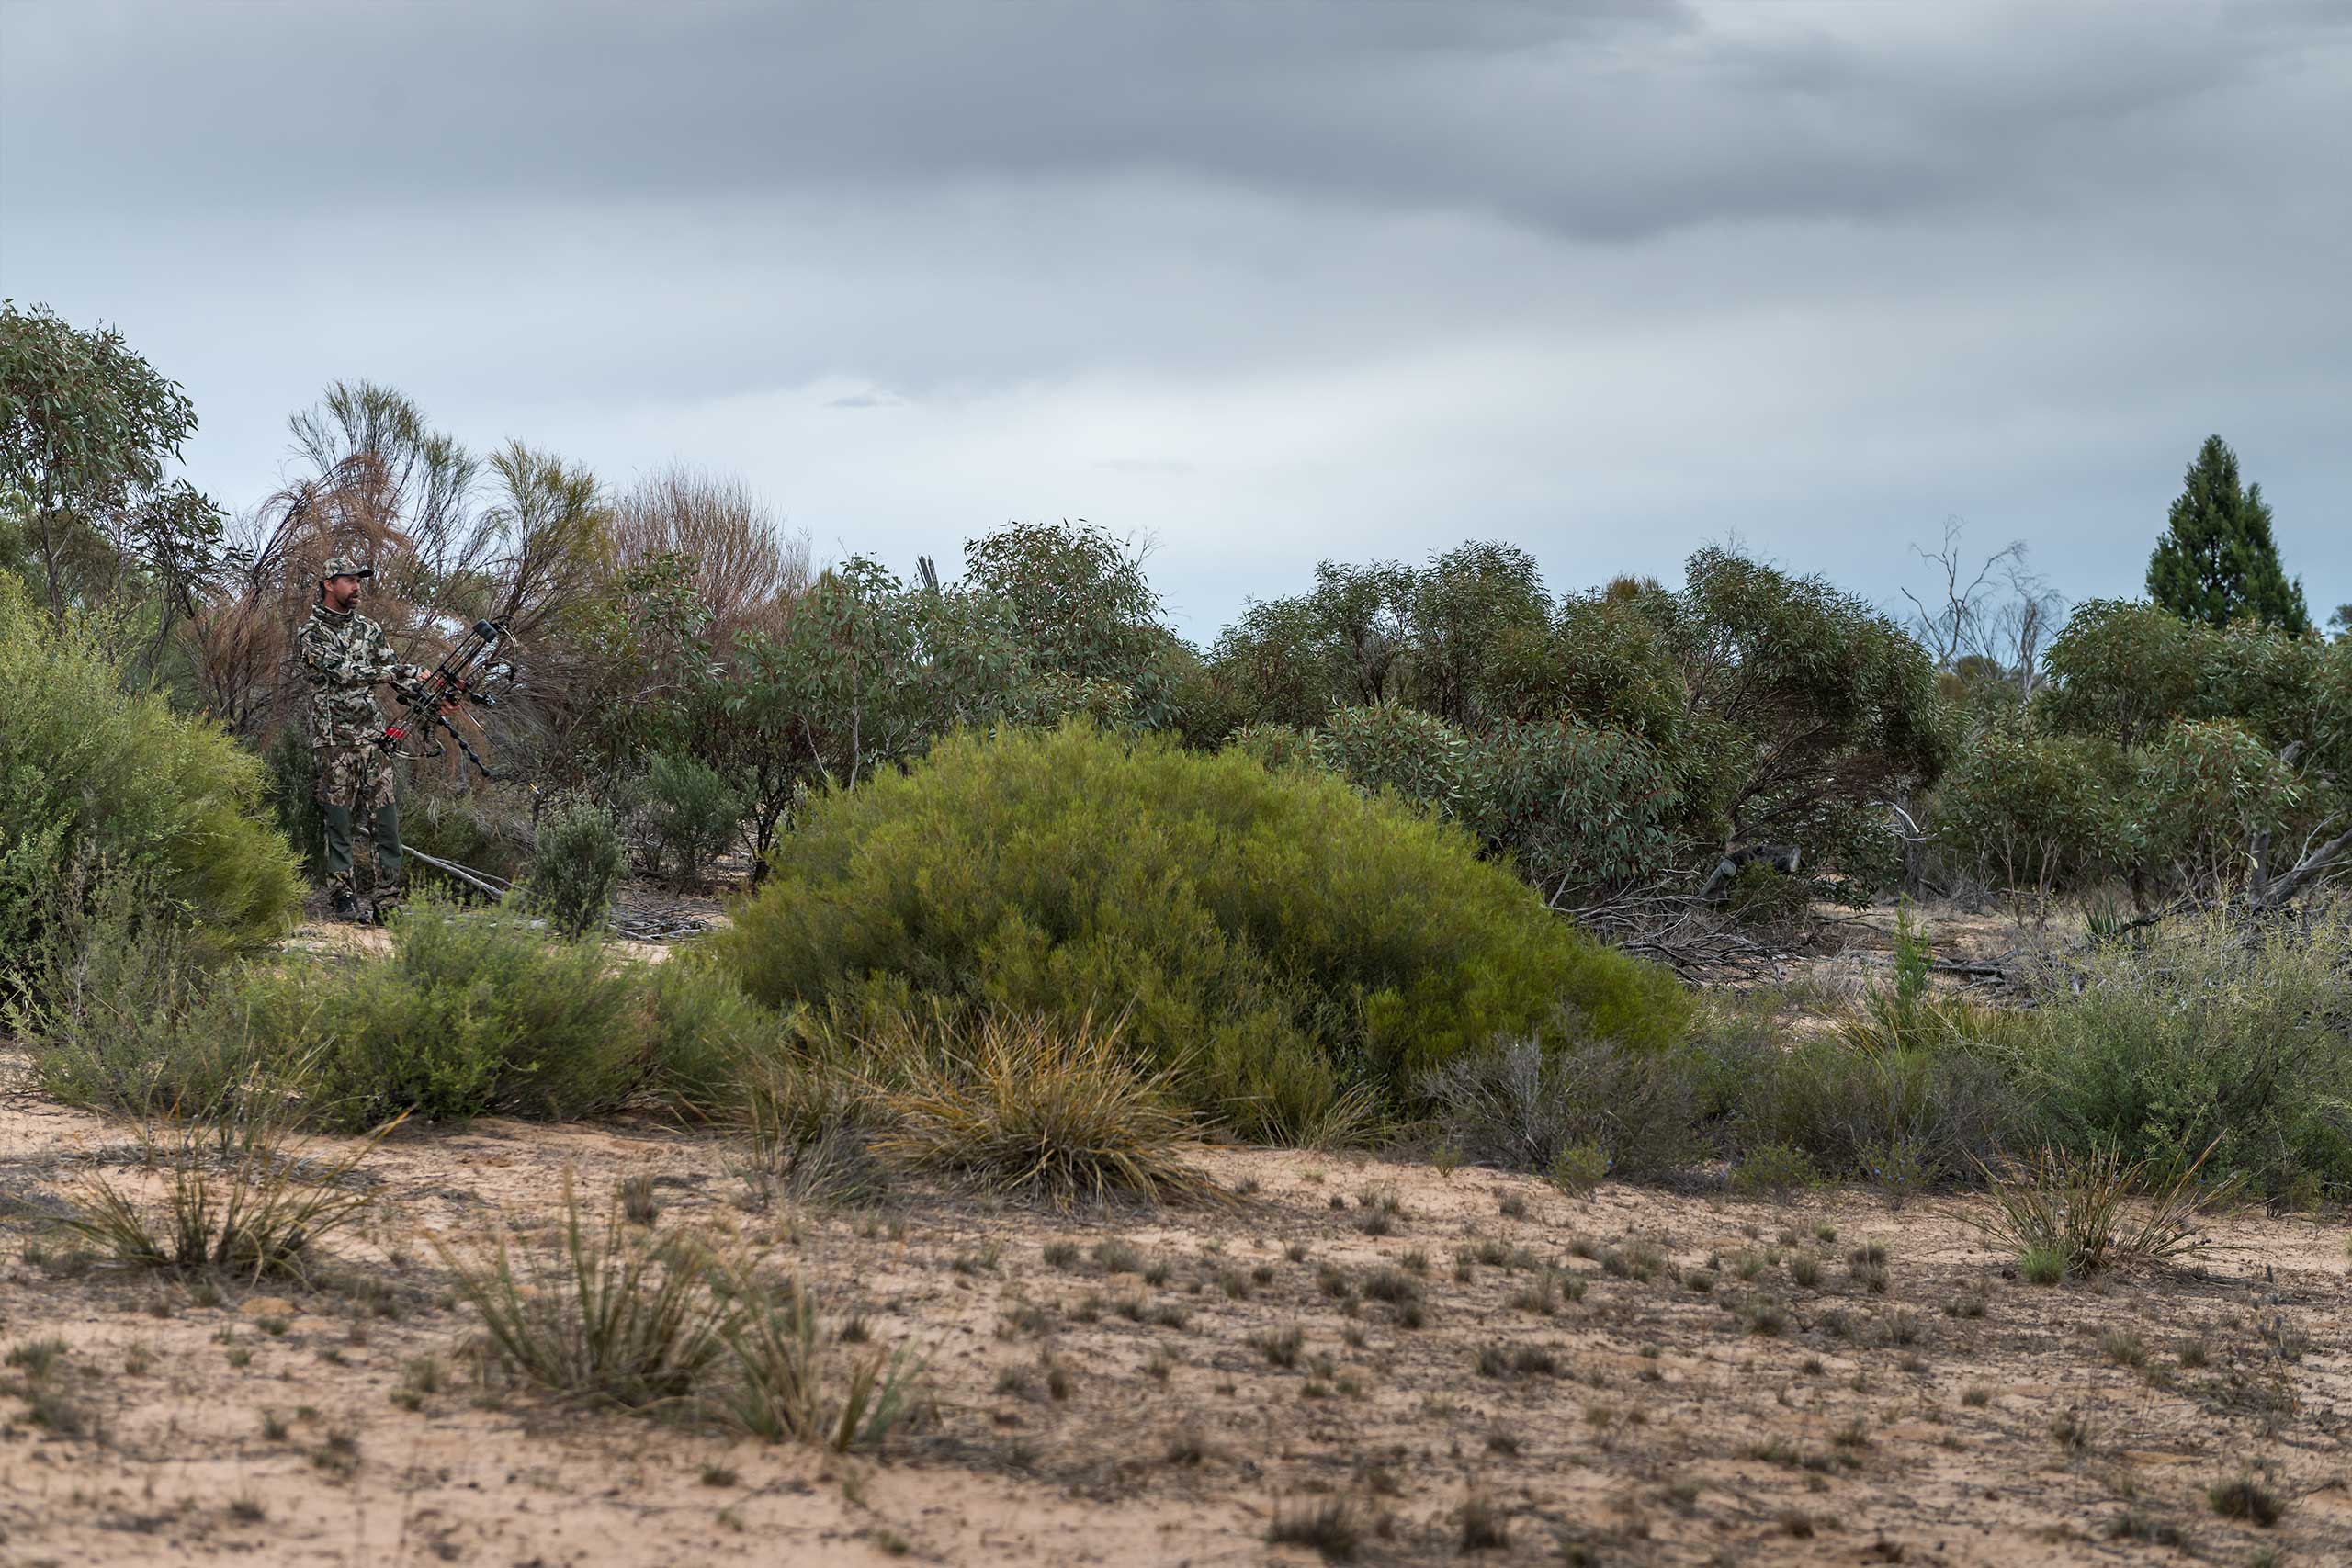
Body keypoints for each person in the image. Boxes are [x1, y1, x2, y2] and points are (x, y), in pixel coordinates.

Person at [294, 557, 432, 921]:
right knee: (338, 824)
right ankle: (343, 897)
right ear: (328, 584)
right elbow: (343, 673)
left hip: (374, 740)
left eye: (359, 581)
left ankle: (387, 901)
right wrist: (398, 672)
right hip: (334, 742)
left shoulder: (369, 630)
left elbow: (399, 677)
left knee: (385, 823)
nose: (356, 587)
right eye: (349, 580)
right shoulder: (311, 633)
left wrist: (430, 692)